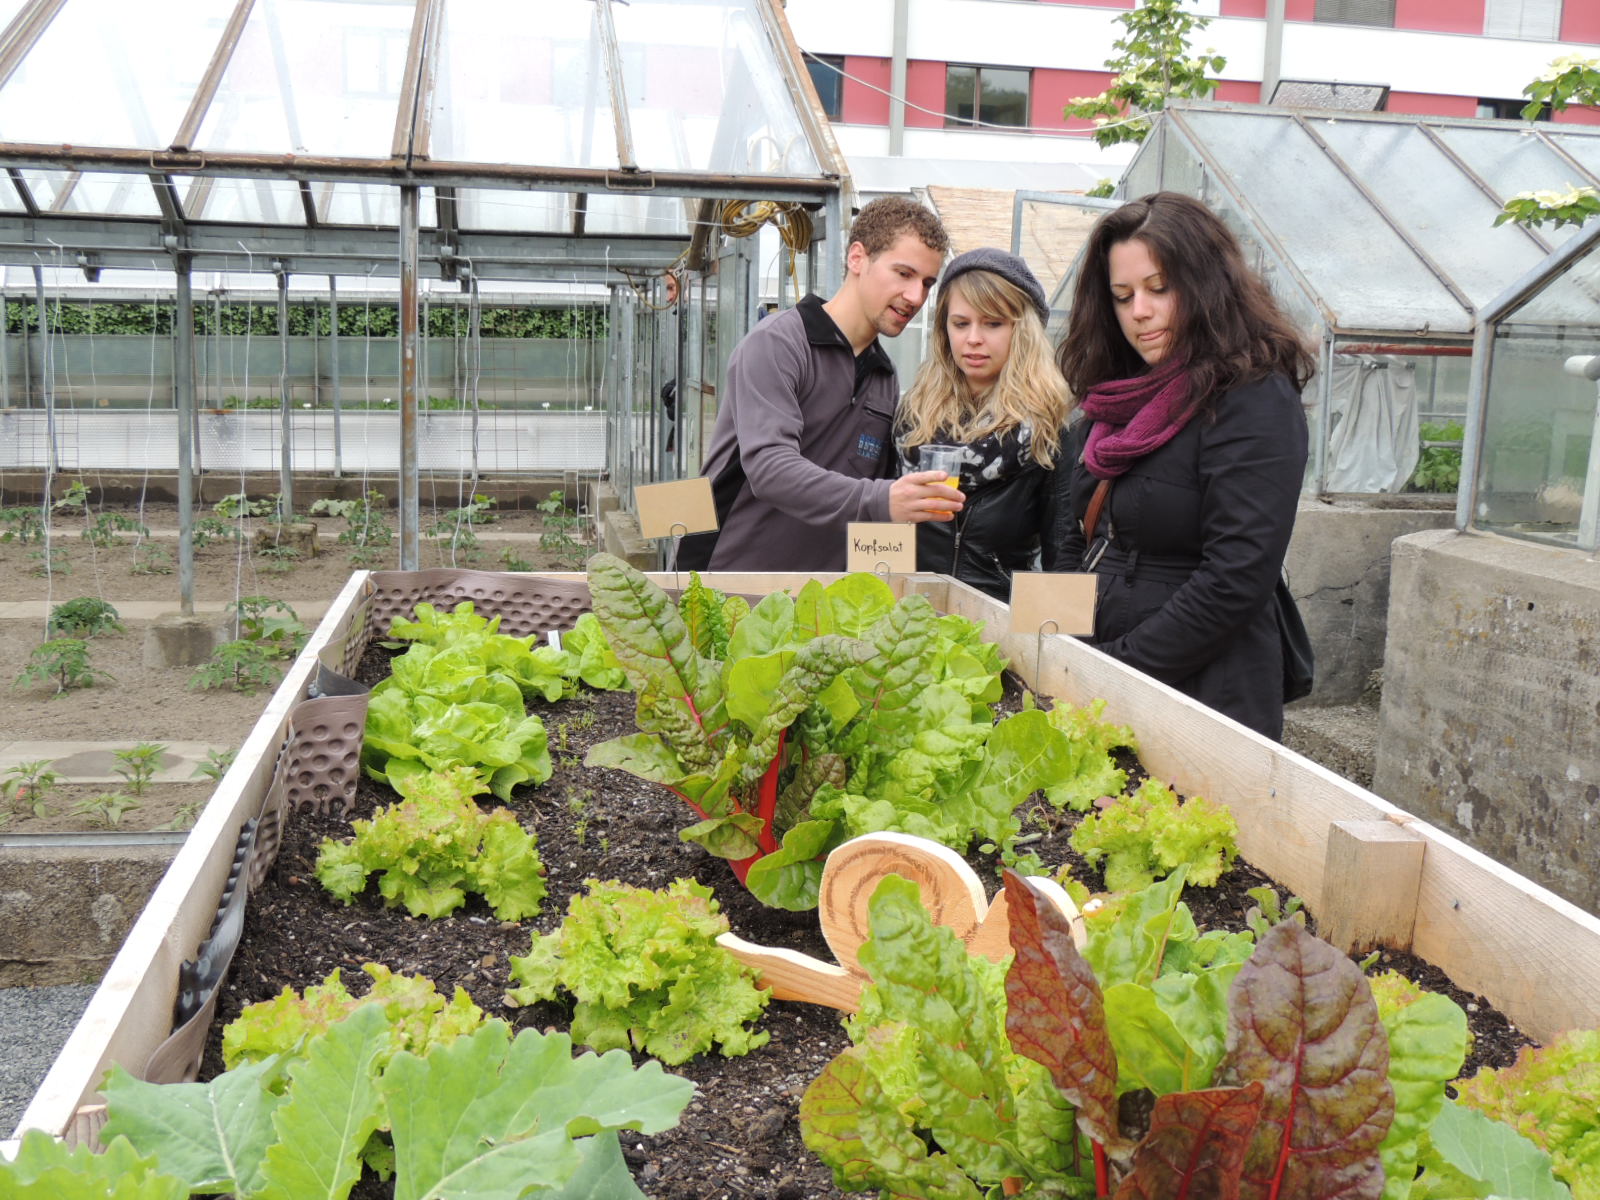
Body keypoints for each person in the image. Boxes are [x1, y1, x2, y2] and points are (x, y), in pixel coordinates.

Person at [1044, 192, 1314, 740]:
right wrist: (1060, 649)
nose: (1139, 311)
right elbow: (1079, 535)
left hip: (1204, 690)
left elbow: (1237, 574)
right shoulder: (1117, 397)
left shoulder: (1252, 395)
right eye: (1123, 296)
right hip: (1104, 673)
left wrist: (1118, 669)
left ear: (1207, 284)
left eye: (1159, 288)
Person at [678, 196, 957, 572]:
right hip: (731, 580)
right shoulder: (778, 343)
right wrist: (882, 499)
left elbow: (866, 500)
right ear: (857, 258)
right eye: (904, 274)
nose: (916, 297)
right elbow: (770, 469)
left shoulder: (884, 376)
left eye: (927, 283)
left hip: (818, 593)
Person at [895, 247, 1068, 601]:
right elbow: (880, 534)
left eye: (993, 323)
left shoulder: (1048, 428)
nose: (973, 338)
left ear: (1022, 330)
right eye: (961, 323)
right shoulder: (913, 416)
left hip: (997, 621)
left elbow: (1062, 559)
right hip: (910, 616)